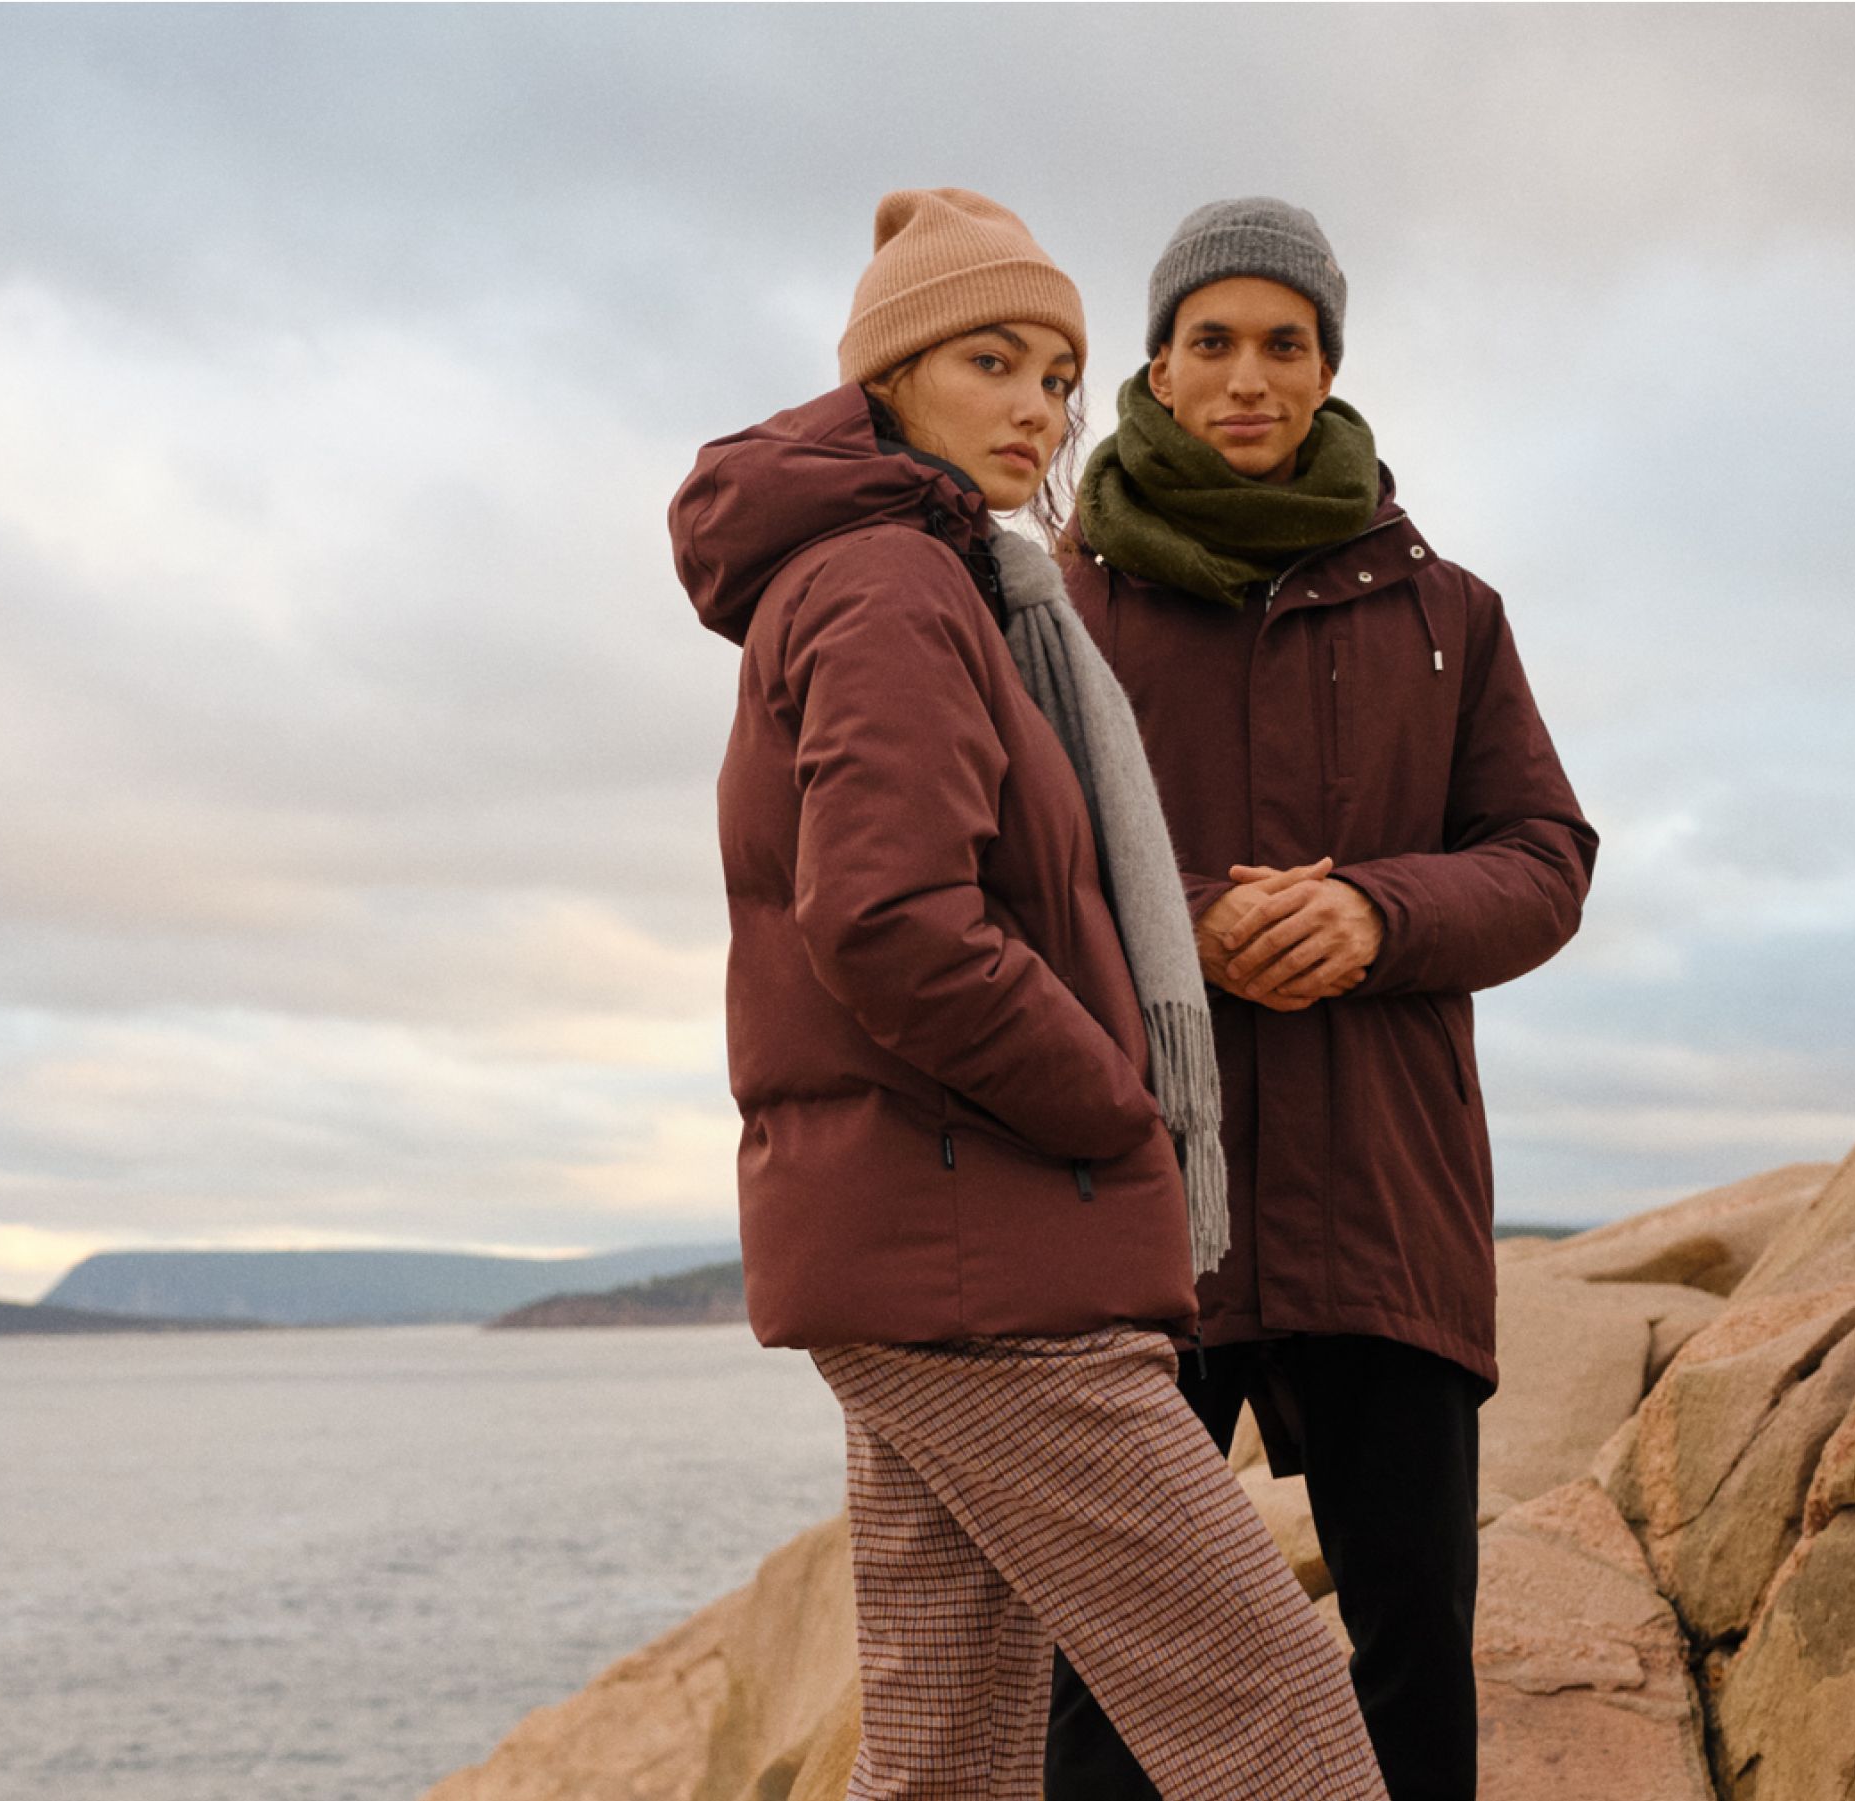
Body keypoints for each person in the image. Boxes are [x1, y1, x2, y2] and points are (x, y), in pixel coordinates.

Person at [669, 187, 1387, 1801]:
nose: (1036, 406)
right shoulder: (890, 587)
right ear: (889, 380)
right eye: (990, 360)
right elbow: (889, 919)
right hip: (981, 1252)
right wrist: (1110, 1100)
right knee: (1280, 1732)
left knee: (948, 1751)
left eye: (1058, 375)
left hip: (923, 1244)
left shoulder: (910, 578)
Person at [1041, 199, 1600, 1801]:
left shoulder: (1449, 614)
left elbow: (1544, 855)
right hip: (1143, 1200)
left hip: (1385, 1200)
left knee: (1413, 1646)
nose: (1245, 376)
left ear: (1326, 365)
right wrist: (1197, 924)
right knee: (1108, 1667)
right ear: (1153, 363)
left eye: (1282, 343)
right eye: (1209, 340)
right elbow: (1010, 865)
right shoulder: (1056, 608)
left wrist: (1376, 910)